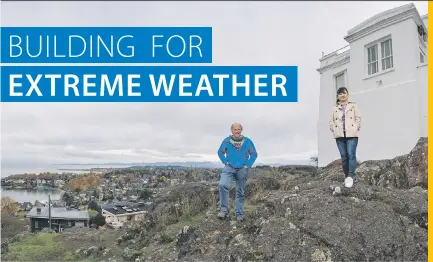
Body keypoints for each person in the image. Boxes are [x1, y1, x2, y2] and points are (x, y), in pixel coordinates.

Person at [217, 123, 258, 222]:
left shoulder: (247, 141)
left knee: (240, 191)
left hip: (242, 168)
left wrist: (247, 165)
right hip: (229, 166)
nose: (237, 131)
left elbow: (254, 154)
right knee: (222, 185)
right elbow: (220, 152)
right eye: (235, 129)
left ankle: (239, 213)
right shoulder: (226, 141)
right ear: (232, 131)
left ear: (241, 130)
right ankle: (224, 210)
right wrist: (225, 161)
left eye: (239, 129)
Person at [329, 87, 361, 188]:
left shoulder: (353, 105)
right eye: (340, 94)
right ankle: (347, 176)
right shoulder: (334, 107)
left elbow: (358, 119)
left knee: (351, 155)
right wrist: (334, 129)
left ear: (347, 95)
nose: (342, 95)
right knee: (344, 157)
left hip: (351, 134)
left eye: (344, 93)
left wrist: (355, 128)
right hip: (339, 135)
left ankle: (350, 177)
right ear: (338, 96)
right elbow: (331, 120)